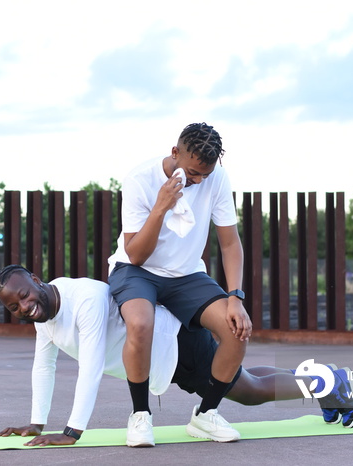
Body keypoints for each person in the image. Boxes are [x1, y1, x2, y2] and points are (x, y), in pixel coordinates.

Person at [0, 265, 353, 447]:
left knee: (248, 392)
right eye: (14, 306)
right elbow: (43, 367)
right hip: (165, 357)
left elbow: (89, 367)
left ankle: (329, 383)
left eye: (25, 296)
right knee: (244, 379)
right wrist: (36, 423)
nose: (24, 307)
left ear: (37, 282)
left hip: (176, 345)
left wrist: (72, 432)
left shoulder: (83, 298)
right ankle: (324, 376)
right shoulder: (45, 319)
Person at [107, 122, 251, 445]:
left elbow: (230, 243)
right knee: (141, 324)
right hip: (136, 270)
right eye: (193, 172)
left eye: (205, 174)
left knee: (236, 330)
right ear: (175, 153)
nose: (198, 181)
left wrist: (235, 298)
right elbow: (136, 254)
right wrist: (160, 207)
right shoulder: (139, 180)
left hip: (186, 274)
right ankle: (140, 415)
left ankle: (205, 415)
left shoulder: (216, 179)